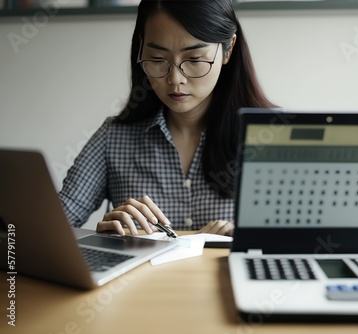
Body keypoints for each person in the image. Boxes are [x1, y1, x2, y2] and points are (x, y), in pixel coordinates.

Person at [59, 0, 275, 237]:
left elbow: (303, 243)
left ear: (228, 49)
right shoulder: (113, 138)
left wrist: (255, 239)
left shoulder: (270, 136)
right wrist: (103, 239)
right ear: (141, 51)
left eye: (194, 60)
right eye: (158, 59)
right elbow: (46, 232)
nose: (175, 79)